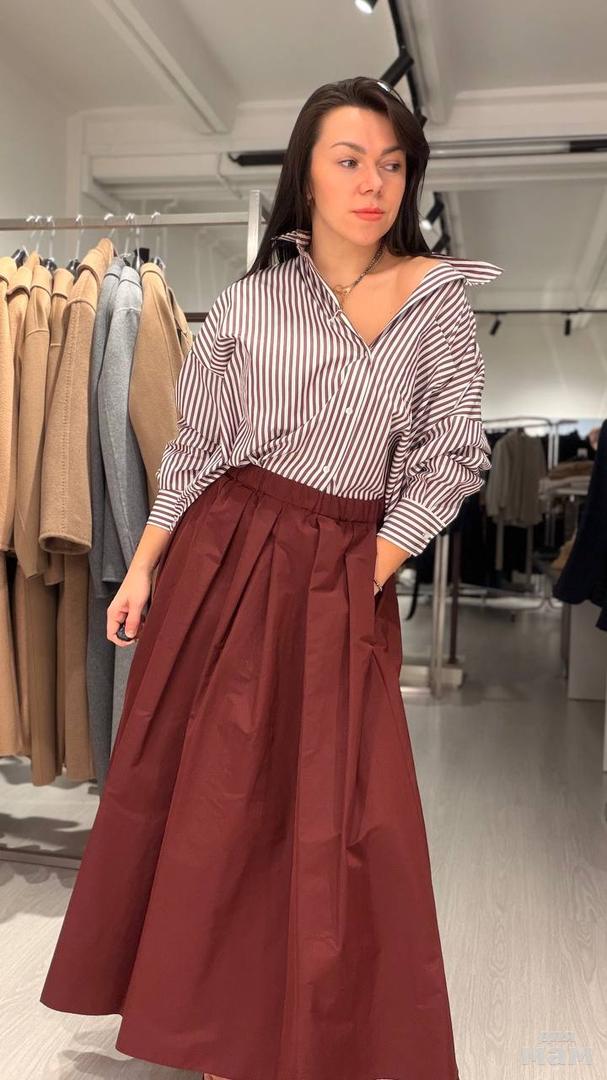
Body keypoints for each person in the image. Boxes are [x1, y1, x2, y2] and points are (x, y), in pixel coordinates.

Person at [39, 75, 502, 1080]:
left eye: (392, 164)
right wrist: (143, 568)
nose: (372, 183)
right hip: (226, 554)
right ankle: (210, 1027)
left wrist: (368, 563)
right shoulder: (252, 302)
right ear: (306, 172)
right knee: (211, 796)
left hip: (343, 563)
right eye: (349, 160)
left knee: (338, 803)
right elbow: (196, 449)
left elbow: (452, 457)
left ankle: (311, 1029)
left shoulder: (436, 302)